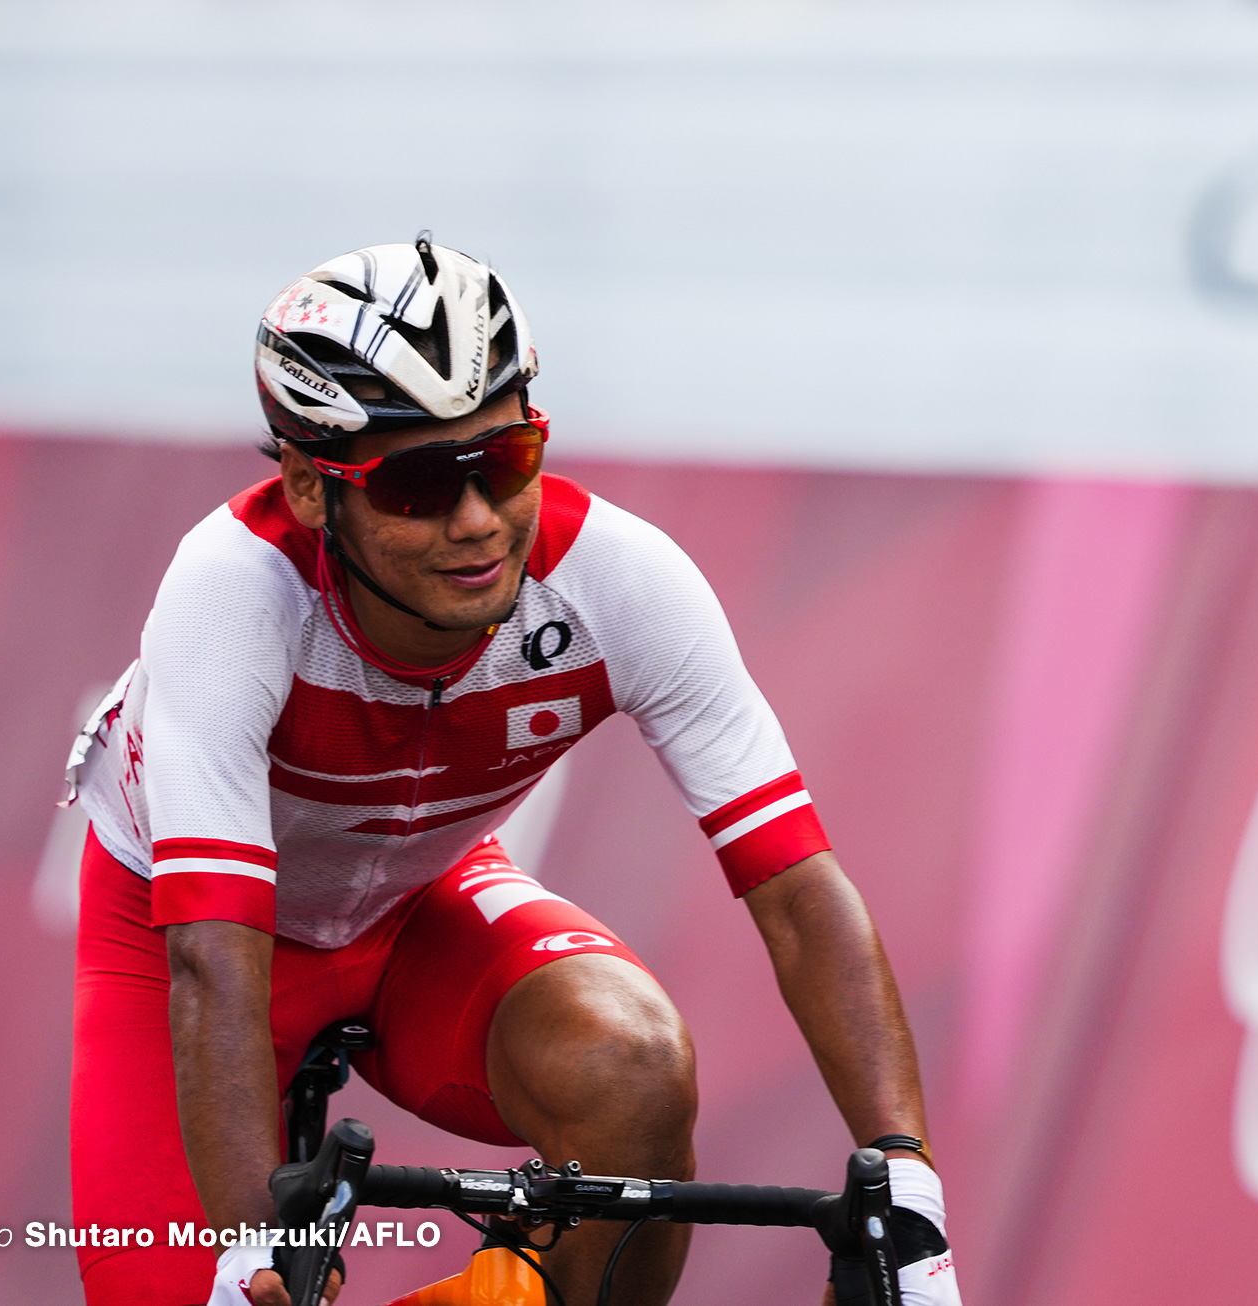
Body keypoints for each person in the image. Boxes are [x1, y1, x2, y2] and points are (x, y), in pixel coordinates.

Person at [64, 234, 962, 1306]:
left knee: (629, 1064)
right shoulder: (232, 593)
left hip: (415, 902)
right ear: (310, 489)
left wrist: (909, 1191)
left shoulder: (618, 581)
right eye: (417, 486)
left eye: (503, 460)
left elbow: (799, 891)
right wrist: (252, 1250)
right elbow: (213, 955)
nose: (477, 521)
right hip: (184, 938)